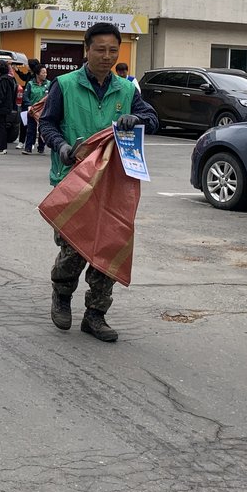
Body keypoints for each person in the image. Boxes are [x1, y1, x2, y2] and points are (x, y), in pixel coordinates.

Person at [39, 22, 159, 342]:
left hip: (114, 184)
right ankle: (62, 294)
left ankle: (95, 314)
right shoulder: (64, 85)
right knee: (74, 248)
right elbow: (47, 124)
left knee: (109, 246)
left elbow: (153, 119)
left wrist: (138, 118)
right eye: (100, 50)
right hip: (73, 179)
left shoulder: (127, 90)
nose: (107, 56)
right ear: (87, 49)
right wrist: (62, 147)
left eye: (113, 51)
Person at [0, 61, 19, 154]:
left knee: (0, 127)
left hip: (1, 107)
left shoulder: (2, 80)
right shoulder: (9, 79)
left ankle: (1, 148)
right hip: (7, 106)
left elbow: (0, 93)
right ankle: (2, 147)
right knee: (2, 126)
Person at [21, 64, 51, 155]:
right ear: (37, 74)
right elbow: (25, 96)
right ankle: (28, 148)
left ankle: (41, 147)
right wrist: (29, 105)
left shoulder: (49, 84)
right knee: (31, 129)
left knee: (43, 129)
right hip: (32, 110)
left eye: (46, 72)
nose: (45, 74)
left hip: (44, 111)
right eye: (43, 72)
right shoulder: (30, 84)